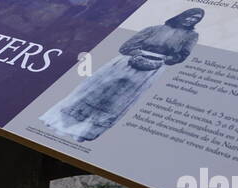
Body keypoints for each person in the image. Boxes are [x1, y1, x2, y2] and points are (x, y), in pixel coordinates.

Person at [40, 8, 205, 142]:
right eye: (191, 16)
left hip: (152, 70)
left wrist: (164, 60)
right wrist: (137, 55)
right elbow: (126, 46)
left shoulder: (191, 36)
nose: (192, 20)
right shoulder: (154, 29)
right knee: (94, 91)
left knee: (117, 100)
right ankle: (60, 122)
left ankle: (85, 132)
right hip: (124, 64)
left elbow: (182, 55)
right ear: (182, 15)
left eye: (197, 18)